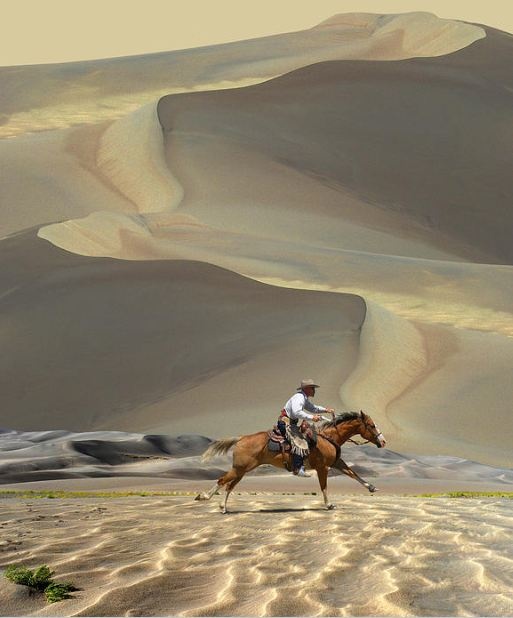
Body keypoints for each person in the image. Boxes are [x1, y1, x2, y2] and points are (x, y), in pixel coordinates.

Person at [277, 379, 335, 477]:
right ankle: (298, 468)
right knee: (300, 442)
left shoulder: (304, 398)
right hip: (286, 424)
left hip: (292, 424)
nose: (314, 390)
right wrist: (312, 417)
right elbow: (297, 412)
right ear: (307, 389)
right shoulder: (299, 398)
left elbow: (313, 408)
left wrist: (325, 410)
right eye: (312, 388)